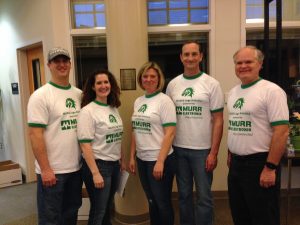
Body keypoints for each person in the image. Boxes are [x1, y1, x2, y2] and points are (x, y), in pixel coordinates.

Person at [227, 46, 289, 225]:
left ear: (260, 64)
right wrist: (230, 153)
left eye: (248, 62)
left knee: (264, 217)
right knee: (240, 216)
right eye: (239, 62)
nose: (243, 66)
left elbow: (281, 131)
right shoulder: (233, 93)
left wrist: (270, 167)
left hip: (260, 164)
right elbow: (234, 125)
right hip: (237, 166)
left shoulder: (271, 91)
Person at [166, 41, 224, 225]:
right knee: (183, 196)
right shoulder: (173, 85)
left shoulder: (211, 84)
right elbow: (166, 120)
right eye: (186, 54)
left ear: (201, 56)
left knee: (204, 197)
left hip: (203, 150)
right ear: (181, 57)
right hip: (178, 149)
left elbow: (218, 120)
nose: (190, 58)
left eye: (194, 54)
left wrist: (213, 153)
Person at [27, 47, 82, 225]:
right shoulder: (40, 96)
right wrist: (45, 169)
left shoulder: (78, 94)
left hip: (75, 169)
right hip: (53, 172)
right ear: (49, 65)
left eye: (65, 61)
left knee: (71, 214)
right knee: (50, 218)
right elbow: (35, 134)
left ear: (70, 64)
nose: (61, 65)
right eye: (56, 61)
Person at [128, 62, 177, 225]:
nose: (148, 79)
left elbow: (170, 133)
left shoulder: (164, 101)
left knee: (162, 203)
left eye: (152, 76)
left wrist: (160, 161)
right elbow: (135, 129)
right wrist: (131, 157)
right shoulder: (139, 101)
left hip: (159, 160)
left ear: (159, 79)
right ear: (140, 79)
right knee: (151, 200)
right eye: (145, 76)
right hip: (142, 160)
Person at [77, 69, 125, 225]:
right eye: (99, 83)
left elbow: (118, 136)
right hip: (98, 166)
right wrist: (95, 173)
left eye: (106, 82)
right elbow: (85, 145)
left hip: (114, 165)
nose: (103, 86)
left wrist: (121, 159)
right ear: (93, 87)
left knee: (107, 206)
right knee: (99, 210)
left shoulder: (113, 108)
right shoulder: (87, 111)